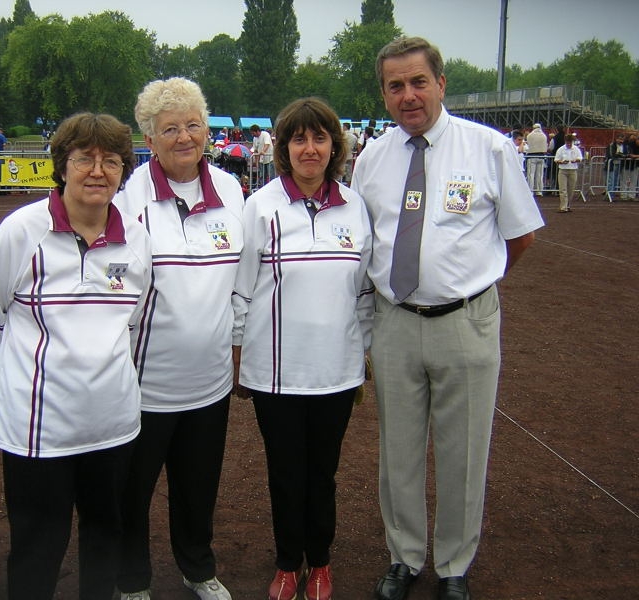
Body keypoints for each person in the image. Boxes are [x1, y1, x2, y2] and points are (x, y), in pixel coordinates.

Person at [351, 36, 544, 600]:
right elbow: (367, 244)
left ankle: (454, 566)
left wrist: (468, 284)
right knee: (399, 452)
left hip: (466, 322)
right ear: (384, 95)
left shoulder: (488, 149)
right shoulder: (372, 159)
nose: (408, 95)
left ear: (440, 83)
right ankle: (404, 558)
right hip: (394, 321)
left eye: (418, 82)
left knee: (464, 450)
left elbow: (521, 236)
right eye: (395, 86)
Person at [0, 112, 152, 600]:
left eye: (111, 161)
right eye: (84, 159)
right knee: (37, 543)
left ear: (123, 170)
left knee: (104, 534)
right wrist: (19, 371)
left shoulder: (137, 239)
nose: (98, 171)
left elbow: (130, 322)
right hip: (38, 427)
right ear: (62, 165)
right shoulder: (22, 231)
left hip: (111, 423)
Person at [233, 97, 374, 600]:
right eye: (299, 138)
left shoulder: (356, 207)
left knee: (324, 475)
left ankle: (322, 564)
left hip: (335, 371)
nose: (309, 149)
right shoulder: (260, 206)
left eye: (319, 138)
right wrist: (238, 360)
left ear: (334, 146)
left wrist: (365, 356)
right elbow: (242, 290)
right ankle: (288, 563)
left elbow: (363, 292)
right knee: (285, 472)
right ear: (284, 147)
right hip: (276, 373)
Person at [113, 77, 243, 600]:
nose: (185, 136)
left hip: (210, 383)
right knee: (131, 492)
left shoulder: (232, 191)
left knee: (197, 489)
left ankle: (197, 568)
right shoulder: (128, 199)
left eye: (193, 124)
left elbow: (242, 284)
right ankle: (133, 580)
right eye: (170, 128)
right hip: (144, 385)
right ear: (149, 137)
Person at [554, 134, 583, 213]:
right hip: (563, 170)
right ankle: (563, 207)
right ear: (565, 141)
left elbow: (580, 158)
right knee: (563, 189)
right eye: (567, 142)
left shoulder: (576, 149)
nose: (569, 144)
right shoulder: (561, 149)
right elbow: (556, 159)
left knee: (571, 189)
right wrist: (562, 162)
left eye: (570, 142)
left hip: (573, 170)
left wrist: (576, 160)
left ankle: (568, 205)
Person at [525, 123, 548, 195]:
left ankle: (530, 190)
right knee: (539, 175)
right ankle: (539, 191)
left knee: (531, 174)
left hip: (531, 156)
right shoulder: (544, 136)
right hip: (541, 156)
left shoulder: (530, 135)